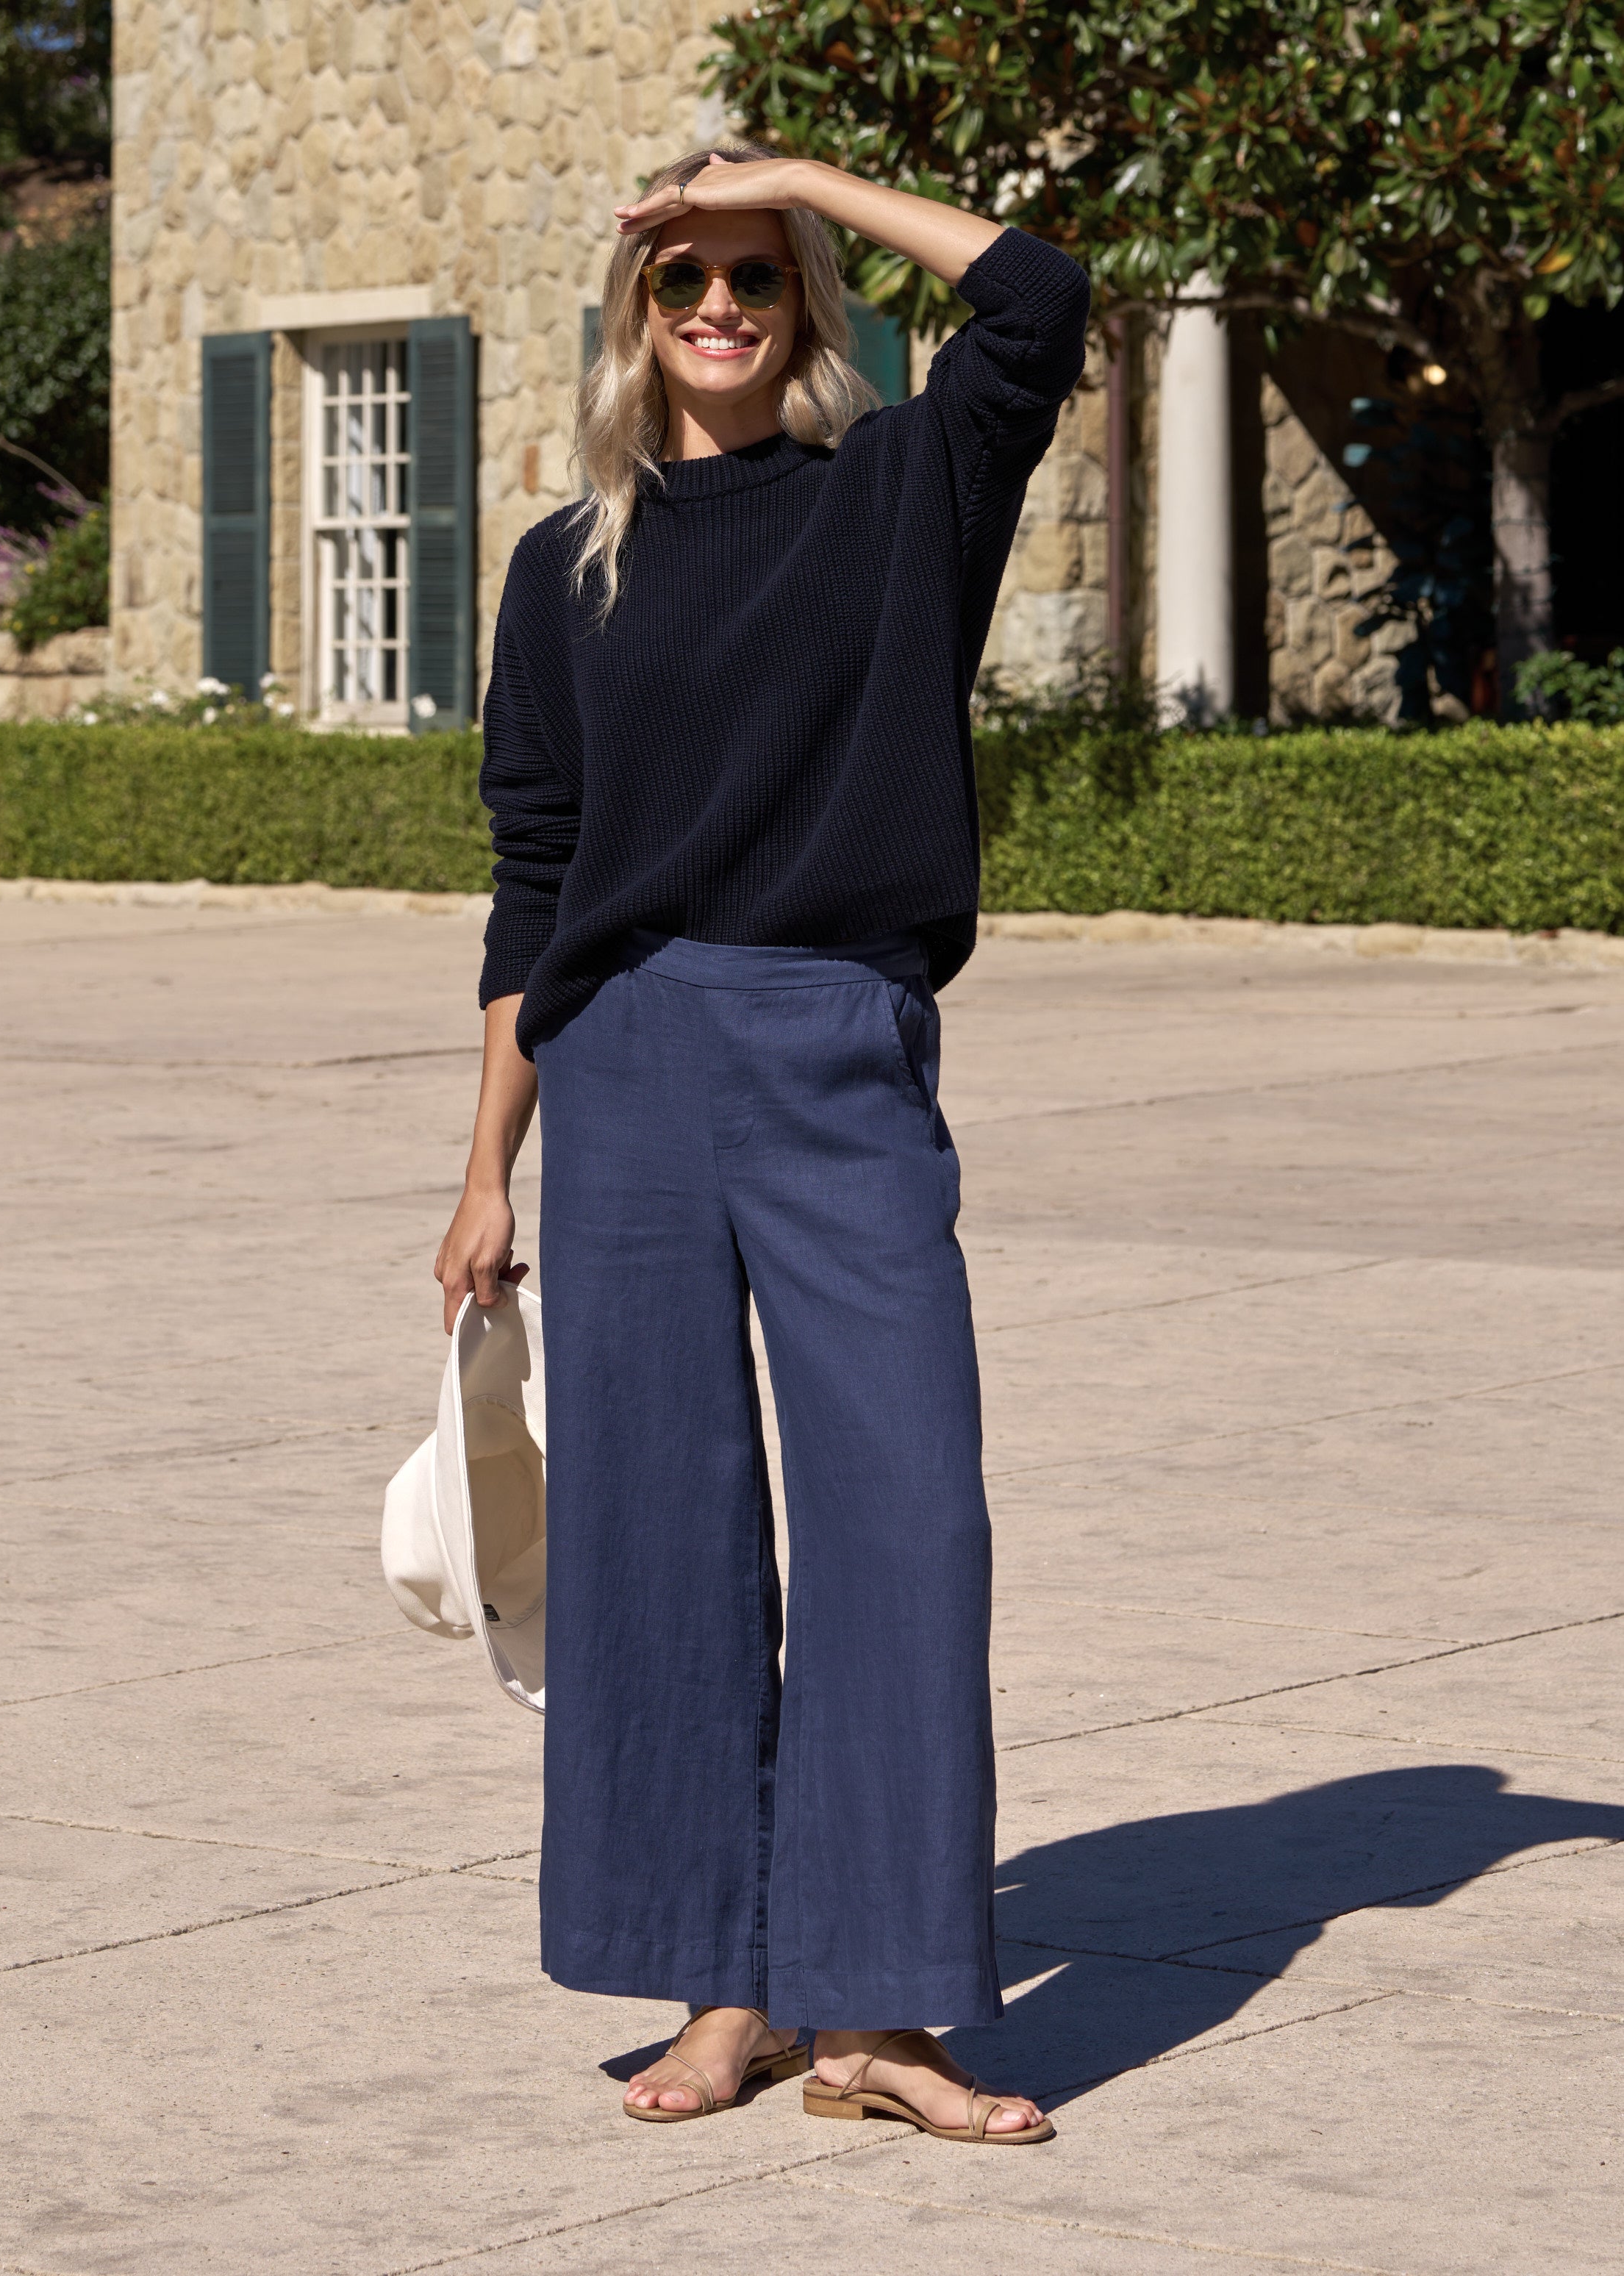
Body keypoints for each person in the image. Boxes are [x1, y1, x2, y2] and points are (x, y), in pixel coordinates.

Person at [435, 142, 1088, 2143]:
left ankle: (883, 2016)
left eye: (753, 275)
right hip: (620, 1070)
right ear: (634, 323)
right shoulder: (566, 563)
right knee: (656, 1539)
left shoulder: (898, 494)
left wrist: (795, 173)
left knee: (907, 1514)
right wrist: (484, 1168)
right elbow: (533, 880)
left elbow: (1040, 298)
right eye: (681, 280)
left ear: (806, 306)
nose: (715, 303)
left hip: (832, 1046)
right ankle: (724, 1985)